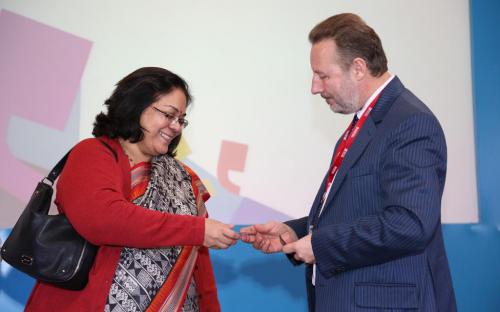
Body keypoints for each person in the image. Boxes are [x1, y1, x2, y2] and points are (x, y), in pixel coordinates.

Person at [241, 13, 457, 311]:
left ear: (358, 68)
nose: (314, 87)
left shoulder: (409, 122)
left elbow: (410, 223)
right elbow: (362, 211)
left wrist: (319, 245)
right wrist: (297, 232)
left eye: (323, 75)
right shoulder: (368, 121)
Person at [25, 67, 239, 312]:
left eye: (181, 119)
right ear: (135, 106)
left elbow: (197, 262)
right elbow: (103, 219)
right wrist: (196, 229)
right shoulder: (92, 154)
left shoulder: (182, 177)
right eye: (169, 115)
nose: (176, 127)